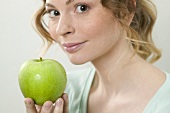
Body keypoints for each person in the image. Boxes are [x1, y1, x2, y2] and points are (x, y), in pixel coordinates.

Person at [24, 0, 170, 112]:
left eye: (82, 8)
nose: (61, 29)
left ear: (126, 11)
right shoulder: (65, 92)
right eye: (54, 13)